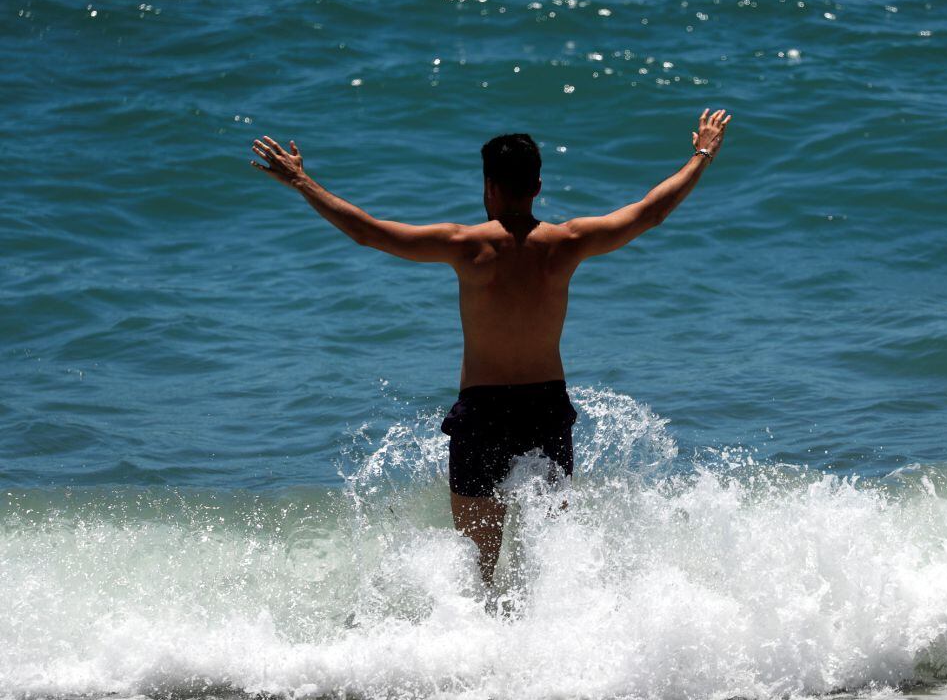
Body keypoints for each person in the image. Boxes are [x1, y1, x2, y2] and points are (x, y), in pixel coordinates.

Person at [250, 108, 732, 586]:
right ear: (537, 187)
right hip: (545, 409)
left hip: (482, 414)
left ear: (489, 187)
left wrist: (302, 182)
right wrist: (702, 153)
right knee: (550, 561)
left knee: (477, 569)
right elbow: (652, 212)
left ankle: (480, 651)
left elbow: (367, 232)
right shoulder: (567, 242)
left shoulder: (466, 245)